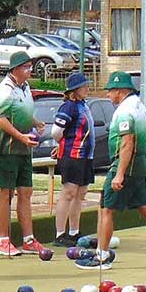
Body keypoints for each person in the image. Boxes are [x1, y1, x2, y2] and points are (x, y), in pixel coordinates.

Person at [75, 72, 146, 271]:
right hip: (139, 166)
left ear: (120, 91)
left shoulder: (125, 111)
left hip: (125, 166)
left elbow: (127, 143)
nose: (108, 95)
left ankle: (102, 256)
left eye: (110, 91)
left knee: (106, 209)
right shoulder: (139, 106)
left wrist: (119, 173)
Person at [0, 51, 49, 257]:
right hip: (8, 149)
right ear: (15, 69)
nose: (30, 70)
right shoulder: (5, 89)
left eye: (30, 66)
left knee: (26, 191)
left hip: (24, 149)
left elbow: (20, 112)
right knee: (7, 192)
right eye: (26, 67)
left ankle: (28, 240)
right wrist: (20, 136)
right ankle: (3, 241)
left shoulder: (25, 87)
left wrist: (35, 122)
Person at [50, 72, 94, 247]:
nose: (87, 89)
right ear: (74, 90)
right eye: (84, 87)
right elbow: (56, 131)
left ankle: (74, 232)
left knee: (81, 193)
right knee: (69, 192)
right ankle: (60, 234)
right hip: (72, 155)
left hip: (85, 156)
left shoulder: (84, 105)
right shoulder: (69, 107)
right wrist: (62, 144)